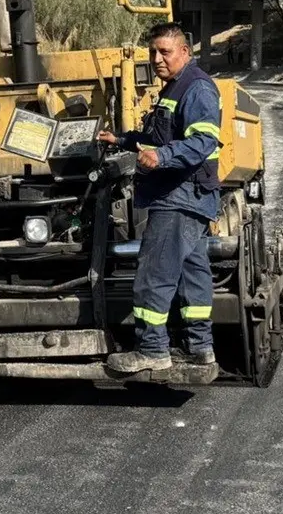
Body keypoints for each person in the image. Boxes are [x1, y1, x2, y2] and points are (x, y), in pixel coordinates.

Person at [96, 22, 222, 375]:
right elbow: (157, 136)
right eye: (153, 52)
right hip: (191, 198)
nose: (156, 59)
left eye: (164, 52)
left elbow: (203, 141)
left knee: (153, 274)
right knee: (192, 273)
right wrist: (120, 140)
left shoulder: (196, 89)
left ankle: (152, 350)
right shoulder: (173, 90)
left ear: (185, 52)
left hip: (179, 197)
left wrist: (163, 157)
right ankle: (200, 348)